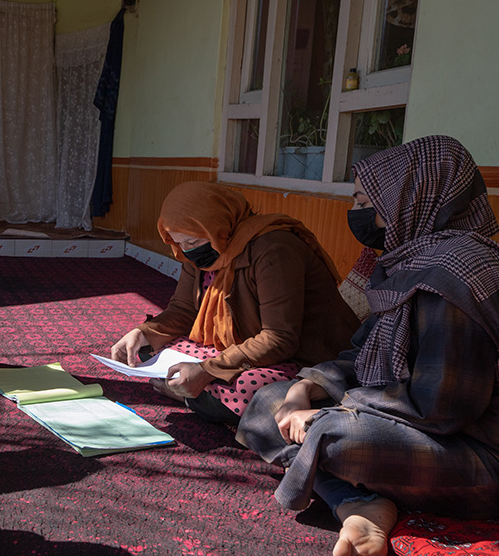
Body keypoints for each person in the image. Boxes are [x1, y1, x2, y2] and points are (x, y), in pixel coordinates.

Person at [236, 135, 499, 556]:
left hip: (485, 458)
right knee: (267, 404)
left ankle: (349, 494)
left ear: (409, 200)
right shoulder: (411, 261)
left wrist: (332, 413)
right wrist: (305, 388)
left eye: (365, 200)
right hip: (413, 426)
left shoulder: (456, 277)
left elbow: (441, 409)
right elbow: (363, 354)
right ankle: (358, 502)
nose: (357, 212)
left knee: (332, 436)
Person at [111, 182, 359, 424]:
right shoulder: (199, 254)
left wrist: (209, 369)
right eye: (180, 244)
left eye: (194, 242)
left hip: (301, 356)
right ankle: (195, 392)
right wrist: (142, 333)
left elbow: (279, 339)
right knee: (148, 349)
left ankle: (192, 397)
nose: (187, 252)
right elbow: (184, 310)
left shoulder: (274, 250)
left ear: (217, 226)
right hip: (243, 344)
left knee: (248, 391)